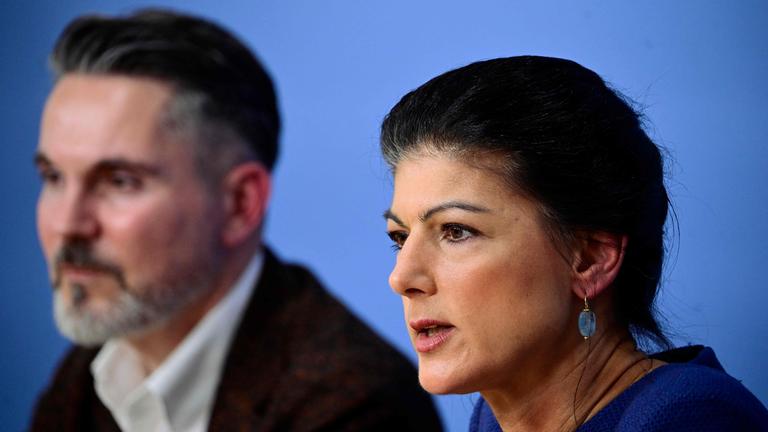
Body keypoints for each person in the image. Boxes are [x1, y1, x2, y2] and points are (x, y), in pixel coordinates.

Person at [30, 9, 442, 432]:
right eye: (53, 177)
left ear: (240, 203)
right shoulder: (90, 369)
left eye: (119, 182)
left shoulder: (356, 405)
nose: (67, 224)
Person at [380, 56, 768, 431]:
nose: (402, 277)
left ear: (590, 259)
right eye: (400, 237)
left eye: (456, 231)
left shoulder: (690, 420)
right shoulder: (494, 418)